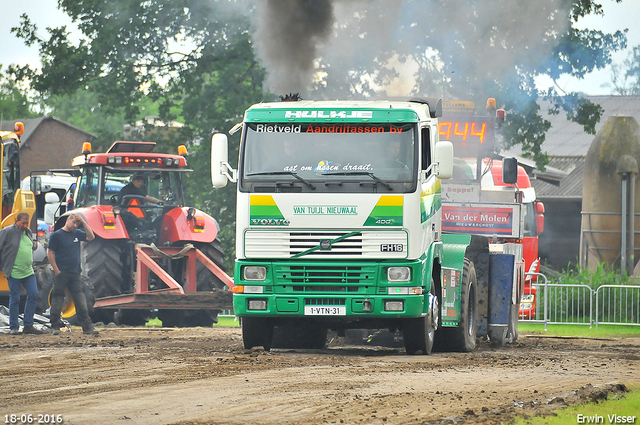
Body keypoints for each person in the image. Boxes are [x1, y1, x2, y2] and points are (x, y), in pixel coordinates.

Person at [47, 213, 99, 335]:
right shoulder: (57, 235)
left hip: (75, 273)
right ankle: (55, 326)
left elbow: (91, 237)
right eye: (74, 223)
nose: (75, 226)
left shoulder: (77, 234)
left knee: (80, 299)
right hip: (62, 273)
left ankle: (87, 327)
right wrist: (56, 270)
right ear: (68, 220)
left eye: (77, 224)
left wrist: (84, 222)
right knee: (58, 298)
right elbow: (50, 252)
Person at [0, 212, 44, 335]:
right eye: (22, 223)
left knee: (34, 294)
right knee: (15, 298)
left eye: (26, 223)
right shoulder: (8, 232)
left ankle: (28, 325)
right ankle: (14, 326)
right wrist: (3, 265)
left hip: (28, 271)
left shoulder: (28, 232)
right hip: (14, 271)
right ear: (16, 221)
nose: (25, 225)